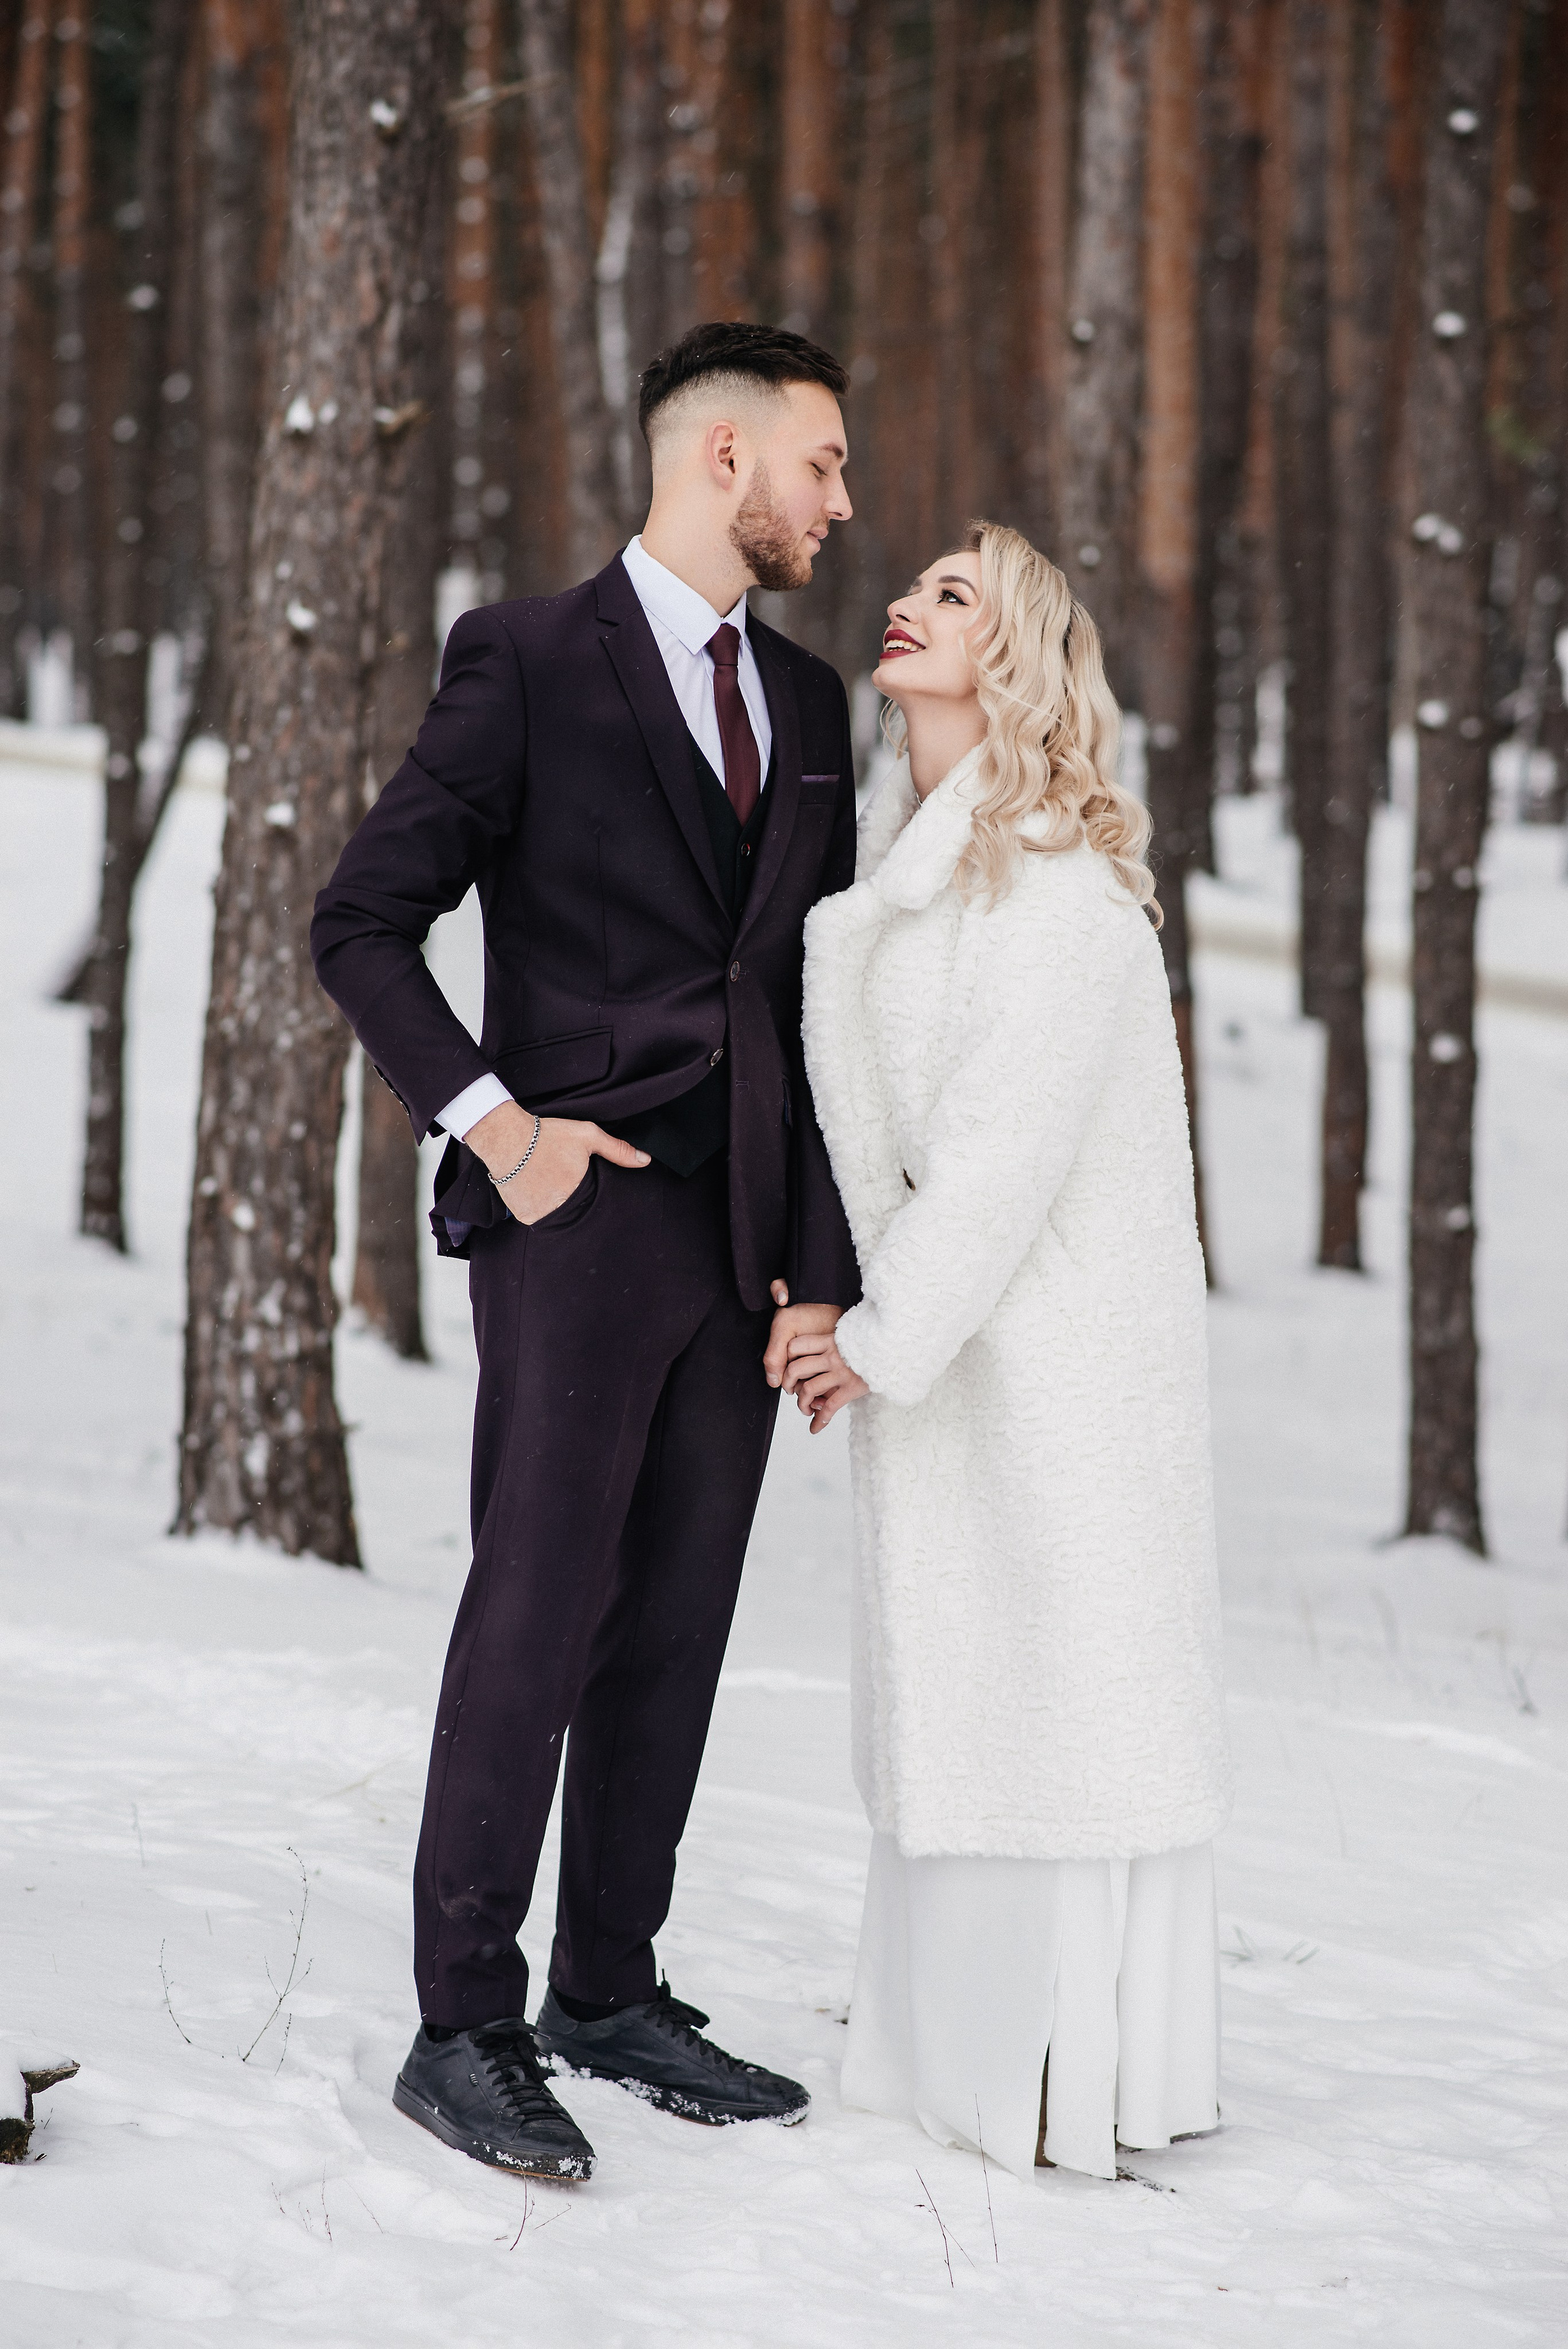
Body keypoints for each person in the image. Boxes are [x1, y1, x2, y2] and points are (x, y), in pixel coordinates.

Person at [311, 322, 862, 2182]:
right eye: (823, 463)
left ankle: (607, 1988)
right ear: (722, 456)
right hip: (575, 1216)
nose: (841, 502)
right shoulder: (528, 661)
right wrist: (503, 1126)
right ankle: (460, 2015)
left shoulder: (810, 712)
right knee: (537, 1605)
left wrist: (817, 1263)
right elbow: (365, 920)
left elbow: (808, 1007)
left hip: (738, 1241)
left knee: (681, 1625)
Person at [772, 521, 1232, 2184]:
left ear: (1021, 658)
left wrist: (870, 1341)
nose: (907, 600)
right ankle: (951, 2056)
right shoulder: (911, 862)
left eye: (953, 595)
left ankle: (1059, 2071)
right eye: (916, 583)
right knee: (979, 1699)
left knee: (1060, 1699)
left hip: (1063, 1377)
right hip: (970, 1359)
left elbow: (996, 1156)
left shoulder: (1060, 882)